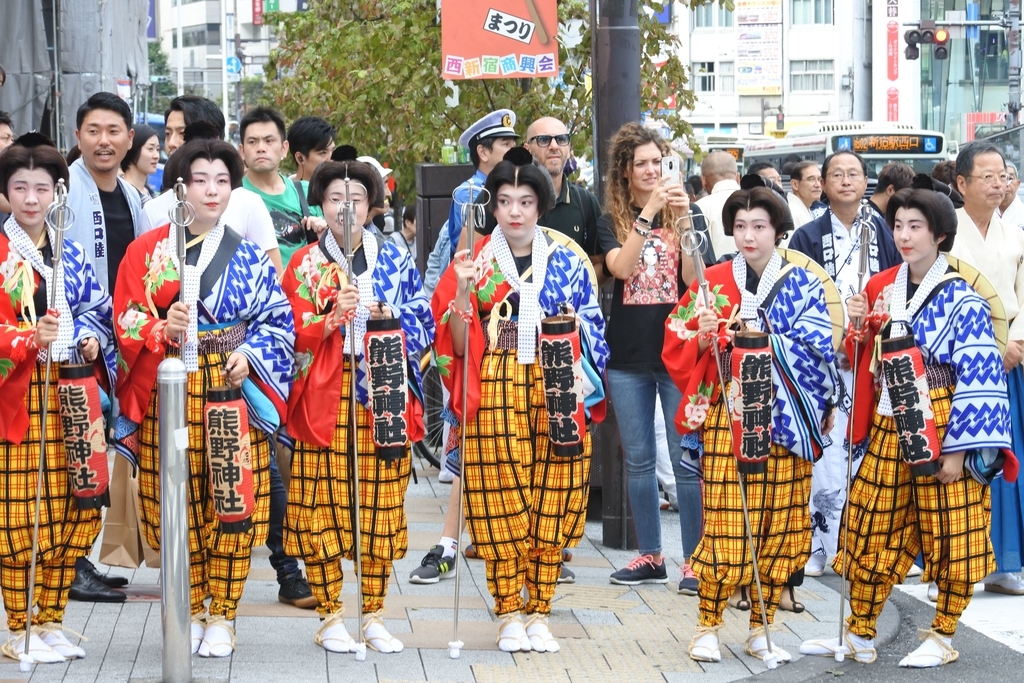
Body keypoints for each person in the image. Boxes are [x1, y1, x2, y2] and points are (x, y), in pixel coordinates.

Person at [800, 187, 1014, 668]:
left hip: (942, 418)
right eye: (898, 225)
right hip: (889, 417)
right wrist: (856, 328)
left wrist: (958, 451)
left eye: (916, 226)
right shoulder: (882, 288)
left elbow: (980, 376)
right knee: (870, 523)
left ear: (940, 234)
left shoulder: (963, 297)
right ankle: (859, 630)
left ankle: (943, 633)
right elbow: (858, 357)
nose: (904, 235)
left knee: (950, 527)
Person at [112, 138, 295, 657]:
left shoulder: (247, 255)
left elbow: (277, 319)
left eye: (221, 181)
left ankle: (225, 614)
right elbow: (123, 318)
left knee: (231, 500)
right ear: (181, 186)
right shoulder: (146, 253)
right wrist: (156, 326)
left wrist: (253, 353)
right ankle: (189, 605)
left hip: (229, 384)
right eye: (200, 180)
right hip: (166, 382)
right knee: (174, 502)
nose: (211, 191)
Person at [432, 156, 608, 653]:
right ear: (493, 207)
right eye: (505, 202)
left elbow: (593, 328)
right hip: (498, 380)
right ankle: (509, 608)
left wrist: (570, 326)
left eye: (526, 203)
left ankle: (541, 609)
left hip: (557, 377)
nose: (515, 212)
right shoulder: (476, 260)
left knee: (554, 492)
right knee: (498, 496)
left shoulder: (568, 258)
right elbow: (459, 346)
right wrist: (463, 291)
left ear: (541, 206)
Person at [663, 187, 837, 665]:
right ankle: (707, 623)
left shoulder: (801, 282)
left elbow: (819, 349)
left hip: (785, 421)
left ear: (778, 231)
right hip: (729, 417)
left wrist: (758, 341)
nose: (748, 236)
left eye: (758, 226)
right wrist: (705, 336)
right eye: (739, 226)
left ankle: (762, 626)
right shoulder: (714, 280)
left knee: (779, 523)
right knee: (726, 519)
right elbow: (677, 342)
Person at [281, 160, 433, 654]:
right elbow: (285, 331)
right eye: (334, 201)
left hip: (381, 392)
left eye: (358, 201)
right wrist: (327, 319)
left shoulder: (394, 258)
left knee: (381, 506)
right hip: (325, 391)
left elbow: (423, 320)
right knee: (318, 505)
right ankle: (329, 615)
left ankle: (373, 613)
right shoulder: (303, 263)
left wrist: (390, 318)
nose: (347, 210)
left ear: (373, 207)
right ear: (320, 207)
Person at [0, 138, 117, 664]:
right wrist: (27, 340)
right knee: (22, 514)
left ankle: (50, 619)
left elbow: (99, 308)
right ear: (5, 193)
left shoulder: (68, 250)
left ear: (56, 192)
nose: (30, 198)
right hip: (20, 401)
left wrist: (93, 338)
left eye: (41, 188)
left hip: (75, 392)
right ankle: (19, 625)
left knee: (78, 507)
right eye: (20, 187)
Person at [597, 122, 704, 594]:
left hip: (678, 354)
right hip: (627, 355)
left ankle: (696, 561)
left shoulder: (685, 213)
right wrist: (652, 213)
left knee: (686, 461)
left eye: (657, 162)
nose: (651, 170)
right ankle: (650, 555)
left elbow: (697, 279)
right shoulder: (610, 220)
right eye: (641, 163)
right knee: (639, 460)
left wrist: (684, 223)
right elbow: (619, 268)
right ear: (625, 171)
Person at [787, 150, 902, 580]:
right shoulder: (806, 235)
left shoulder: (885, 232)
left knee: (870, 448)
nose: (846, 181)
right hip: (826, 358)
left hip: (871, 356)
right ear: (823, 183)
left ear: (866, 181)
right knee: (826, 449)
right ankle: (820, 545)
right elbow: (797, 291)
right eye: (837, 174)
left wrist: (871, 309)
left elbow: (896, 285)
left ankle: (866, 546)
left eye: (854, 173)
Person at [64, 92, 151, 603]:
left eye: (114, 131)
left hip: (120, 338)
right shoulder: (61, 190)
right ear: (78, 137)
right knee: (81, 447)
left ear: (129, 140)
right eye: (94, 130)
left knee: (103, 448)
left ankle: (81, 558)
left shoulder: (132, 195)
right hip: (78, 340)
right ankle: (69, 562)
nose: (104, 140)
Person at [949, 141, 1024, 597]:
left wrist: (1015, 343)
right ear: (961, 184)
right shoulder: (944, 231)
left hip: (1009, 359)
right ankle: (952, 554)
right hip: (957, 363)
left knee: (1004, 459)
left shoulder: (1016, 233)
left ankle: (1003, 559)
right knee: (957, 460)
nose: (998, 183)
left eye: (1003, 175)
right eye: (987, 176)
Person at [145, 97, 283, 275]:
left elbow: (274, 279)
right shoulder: (152, 210)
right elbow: (144, 282)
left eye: (182, 133)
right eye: (168, 133)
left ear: (211, 137)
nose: (171, 143)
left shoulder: (248, 204)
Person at [423, 109, 517, 295]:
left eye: (514, 144)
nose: (513, 150)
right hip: (477, 285)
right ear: (482, 152)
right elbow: (470, 251)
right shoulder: (471, 193)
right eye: (506, 144)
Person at [240, 107, 327, 270]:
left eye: (269, 140)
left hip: (305, 291)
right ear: (242, 151)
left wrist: (324, 231)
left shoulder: (307, 192)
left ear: (284, 148)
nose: (261, 148)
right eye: (252, 142)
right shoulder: (233, 197)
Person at [524, 117, 603, 273]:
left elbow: (598, 264)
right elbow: (474, 259)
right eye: (543, 140)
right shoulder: (504, 200)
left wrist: (578, 292)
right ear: (527, 149)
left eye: (561, 139)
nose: (554, 146)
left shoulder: (585, 202)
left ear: (569, 147)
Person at [695, 150, 741, 258]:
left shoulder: (698, 208)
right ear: (738, 177)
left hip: (713, 274)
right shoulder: (760, 202)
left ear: (703, 181)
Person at [286, 116, 336, 182]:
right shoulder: (286, 191)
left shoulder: (342, 189)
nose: (332, 159)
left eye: (333, 151)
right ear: (300, 158)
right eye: (323, 152)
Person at [120, 124, 160, 202]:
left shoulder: (152, 195)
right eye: (150, 149)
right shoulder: (122, 194)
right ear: (133, 149)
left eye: (157, 149)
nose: (157, 156)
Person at [786, 160, 826, 229]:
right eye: (811, 179)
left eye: (819, 180)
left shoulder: (803, 209)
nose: (818, 185)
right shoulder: (792, 213)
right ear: (795, 184)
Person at [998, 161, 1024, 231]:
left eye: (1010, 178)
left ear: (1018, 184)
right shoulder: (985, 212)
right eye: (1002, 178)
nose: (1006, 184)